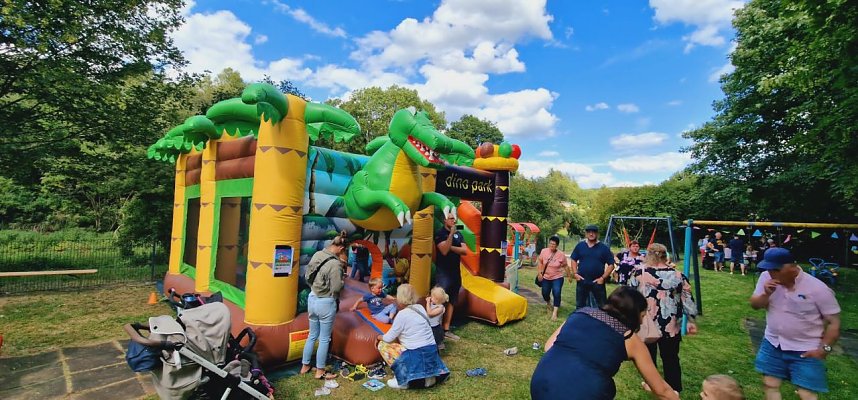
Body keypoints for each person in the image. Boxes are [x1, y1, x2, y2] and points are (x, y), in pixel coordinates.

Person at [530, 286, 679, 400]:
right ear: (634, 315)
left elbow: (549, 346)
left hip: (541, 384)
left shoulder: (580, 313)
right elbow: (662, 391)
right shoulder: (629, 339)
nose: (642, 321)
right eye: (642, 316)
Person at [750, 248, 841, 400]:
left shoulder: (818, 288)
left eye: (776, 269)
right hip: (773, 342)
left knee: (807, 393)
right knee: (770, 384)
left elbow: (834, 323)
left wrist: (824, 349)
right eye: (769, 268)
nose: (771, 273)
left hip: (806, 348)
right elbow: (755, 305)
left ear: (792, 267)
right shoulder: (765, 277)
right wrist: (766, 294)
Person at [629, 243, 699, 394]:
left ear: (649, 254)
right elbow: (688, 300)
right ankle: (674, 389)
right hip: (671, 326)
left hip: (646, 324)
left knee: (647, 357)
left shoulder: (638, 272)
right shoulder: (678, 276)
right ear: (665, 255)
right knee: (671, 358)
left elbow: (629, 297)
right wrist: (692, 321)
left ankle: (651, 383)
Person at [376, 284, 450, 389]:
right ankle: (429, 378)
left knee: (383, 345)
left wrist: (378, 337)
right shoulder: (420, 308)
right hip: (431, 351)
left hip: (415, 354)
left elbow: (388, 338)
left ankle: (402, 379)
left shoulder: (402, 315)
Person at [300, 231, 349, 380]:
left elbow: (308, 277)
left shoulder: (317, 255)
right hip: (326, 302)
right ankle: (320, 370)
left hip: (312, 298)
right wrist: (342, 279)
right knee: (324, 338)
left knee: (312, 335)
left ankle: (305, 366)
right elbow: (336, 288)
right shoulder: (335, 264)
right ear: (341, 249)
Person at [435, 215, 468, 341]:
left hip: (455, 272)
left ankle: (446, 329)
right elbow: (443, 250)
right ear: (444, 220)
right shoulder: (440, 234)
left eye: (454, 218)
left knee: (452, 300)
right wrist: (450, 236)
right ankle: (436, 329)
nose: (453, 220)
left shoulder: (459, 234)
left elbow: (465, 251)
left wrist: (451, 248)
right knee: (439, 300)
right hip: (443, 273)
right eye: (450, 218)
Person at [570, 224, 615, 309]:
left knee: (602, 307)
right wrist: (575, 273)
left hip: (597, 282)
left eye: (593, 232)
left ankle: (601, 322)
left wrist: (603, 278)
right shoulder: (580, 246)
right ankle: (581, 321)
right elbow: (573, 259)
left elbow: (611, 264)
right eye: (589, 232)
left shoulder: (603, 248)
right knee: (580, 306)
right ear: (586, 234)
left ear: (597, 234)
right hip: (582, 281)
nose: (591, 234)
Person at [536, 235, 571, 320]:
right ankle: (548, 302)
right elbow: (540, 262)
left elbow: (566, 266)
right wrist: (540, 273)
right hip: (546, 277)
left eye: (554, 244)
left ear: (557, 245)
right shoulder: (544, 251)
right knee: (545, 293)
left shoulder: (561, 254)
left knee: (557, 292)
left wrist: (569, 276)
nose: (552, 246)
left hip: (557, 277)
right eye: (550, 244)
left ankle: (555, 313)